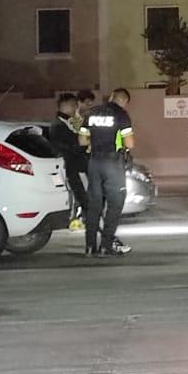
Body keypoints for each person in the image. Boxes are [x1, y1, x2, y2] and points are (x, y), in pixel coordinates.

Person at [79, 88, 135, 257]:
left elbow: (82, 140)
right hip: (112, 163)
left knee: (94, 205)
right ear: (124, 101)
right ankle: (106, 245)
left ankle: (90, 247)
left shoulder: (92, 113)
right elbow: (130, 143)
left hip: (94, 162)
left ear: (111, 97)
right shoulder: (121, 115)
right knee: (115, 203)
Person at [48, 93, 88, 231]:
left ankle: (83, 217)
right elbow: (71, 145)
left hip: (73, 165)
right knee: (77, 194)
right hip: (70, 165)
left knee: (81, 193)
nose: (76, 108)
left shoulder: (68, 122)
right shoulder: (58, 125)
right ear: (67, 106)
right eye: (74, 105)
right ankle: (76, 219)